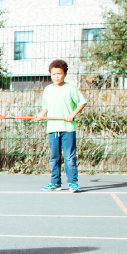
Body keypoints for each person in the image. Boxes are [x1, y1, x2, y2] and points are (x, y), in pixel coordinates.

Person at [35, 60, 87, 193]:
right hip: (52, 128)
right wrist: (40, 114)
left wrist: (72, 114)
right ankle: (55, 182)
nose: (56, 76)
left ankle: (73, 183)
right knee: (54, 157)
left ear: (64, 74)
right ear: (50, 75)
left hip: (68, 128)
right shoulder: (48, 90)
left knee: (69, 157)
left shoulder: (71, 88)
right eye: (53, 74)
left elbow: (82, 102)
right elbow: (45, 107)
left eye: (59, 73)